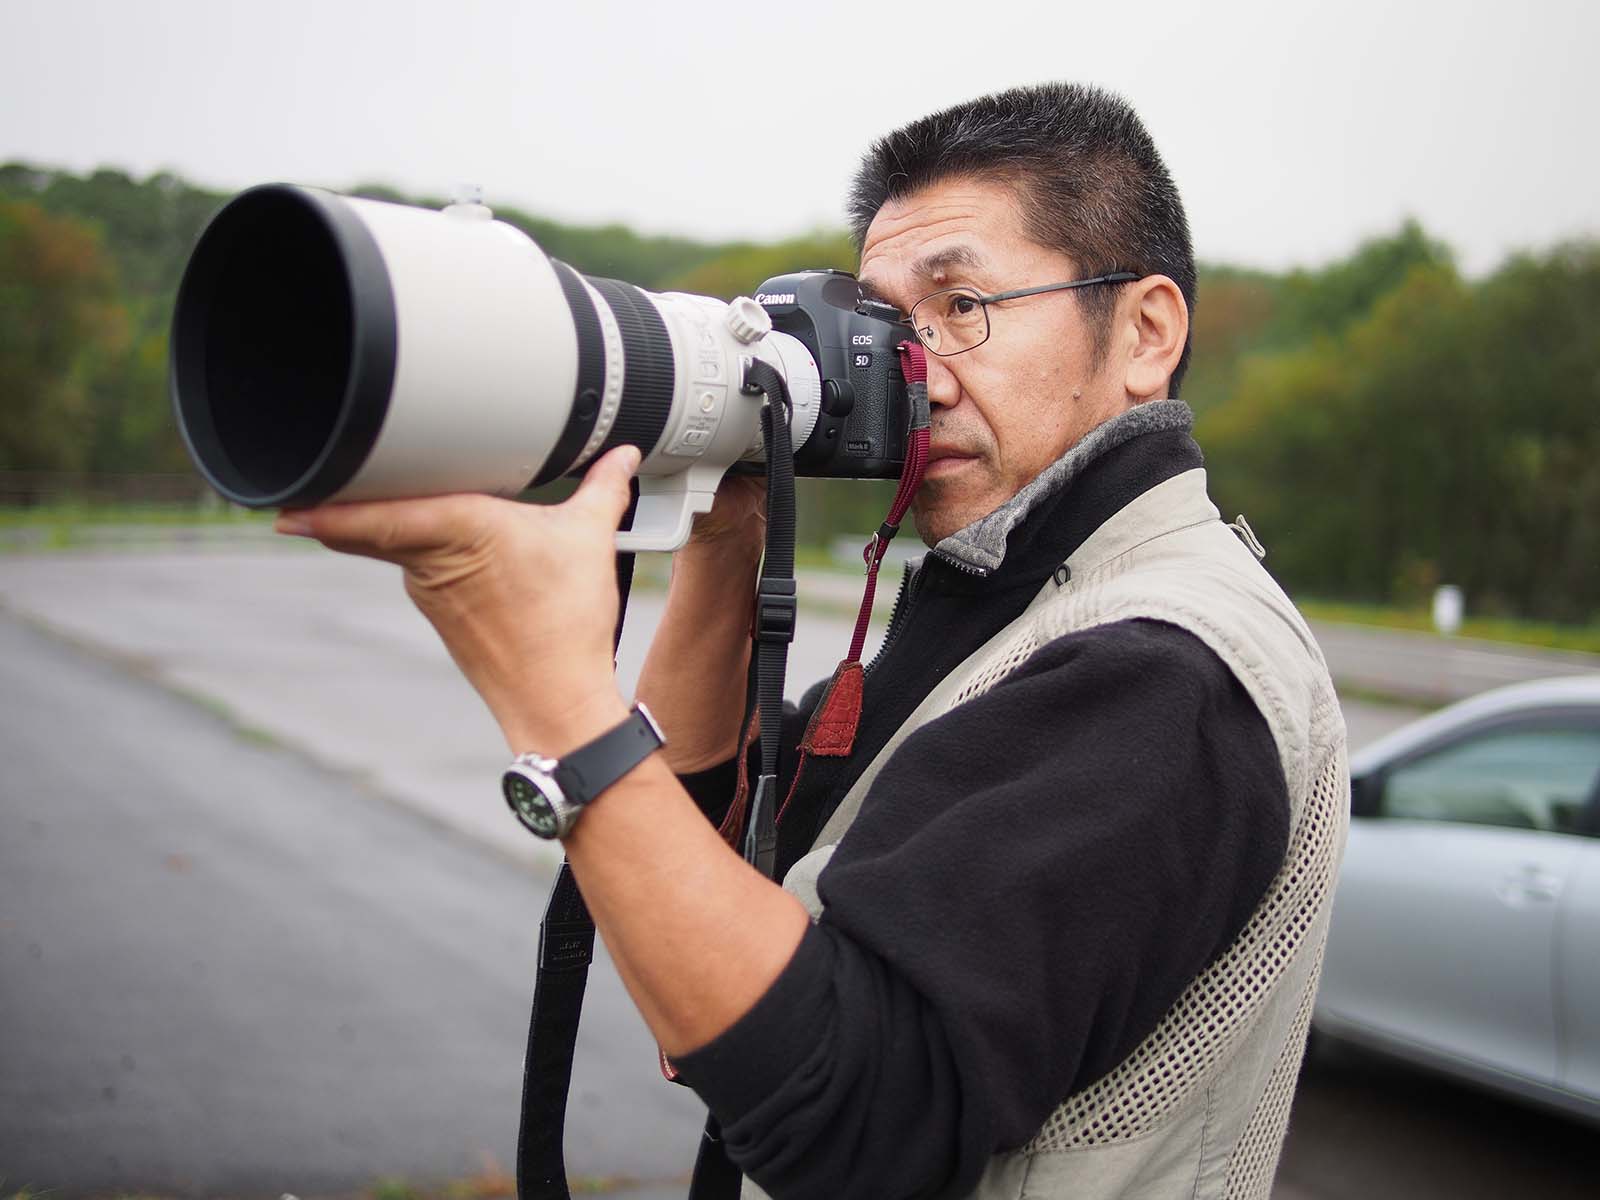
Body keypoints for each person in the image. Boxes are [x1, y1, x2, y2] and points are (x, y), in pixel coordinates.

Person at [276, 83, 1348, 1200]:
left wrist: (553, 694)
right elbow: (709, 881)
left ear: (1145, 332)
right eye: (886, 325)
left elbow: (860, 1118)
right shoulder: (1008, 594)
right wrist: (728, 521)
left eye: (962, 305)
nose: (910, 372)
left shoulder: (1164, 667)